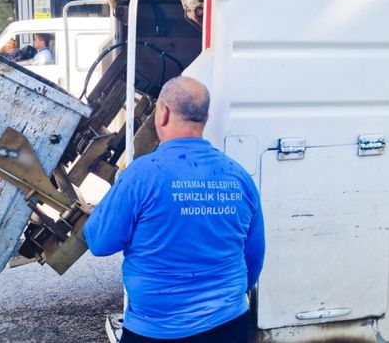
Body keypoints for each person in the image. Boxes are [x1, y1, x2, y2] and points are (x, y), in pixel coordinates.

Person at [83, 76, 265, 342]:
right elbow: (254, 256)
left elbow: (99, 242)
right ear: (205, 117)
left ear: (163, 113)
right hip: (229, 324)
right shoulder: (239, 176)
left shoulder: (140, 176)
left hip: (156, 331)